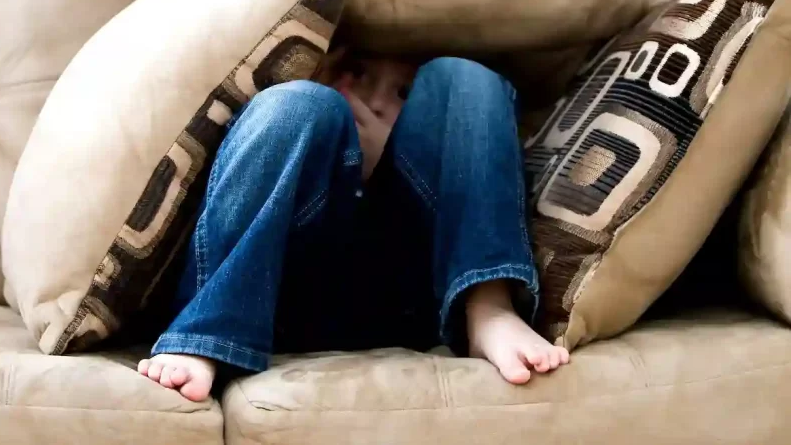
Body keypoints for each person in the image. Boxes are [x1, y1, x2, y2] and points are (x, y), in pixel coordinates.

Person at [137, 49, 570, 402]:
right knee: (295, 104)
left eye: (404, 91)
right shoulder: (316, 111)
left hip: (408, 294)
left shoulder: (431, 136)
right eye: (356, 72)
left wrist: (387, 156)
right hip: (280, 292)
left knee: (465, 76)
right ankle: (207, 334)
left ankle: (488, 305)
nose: (376, 100)